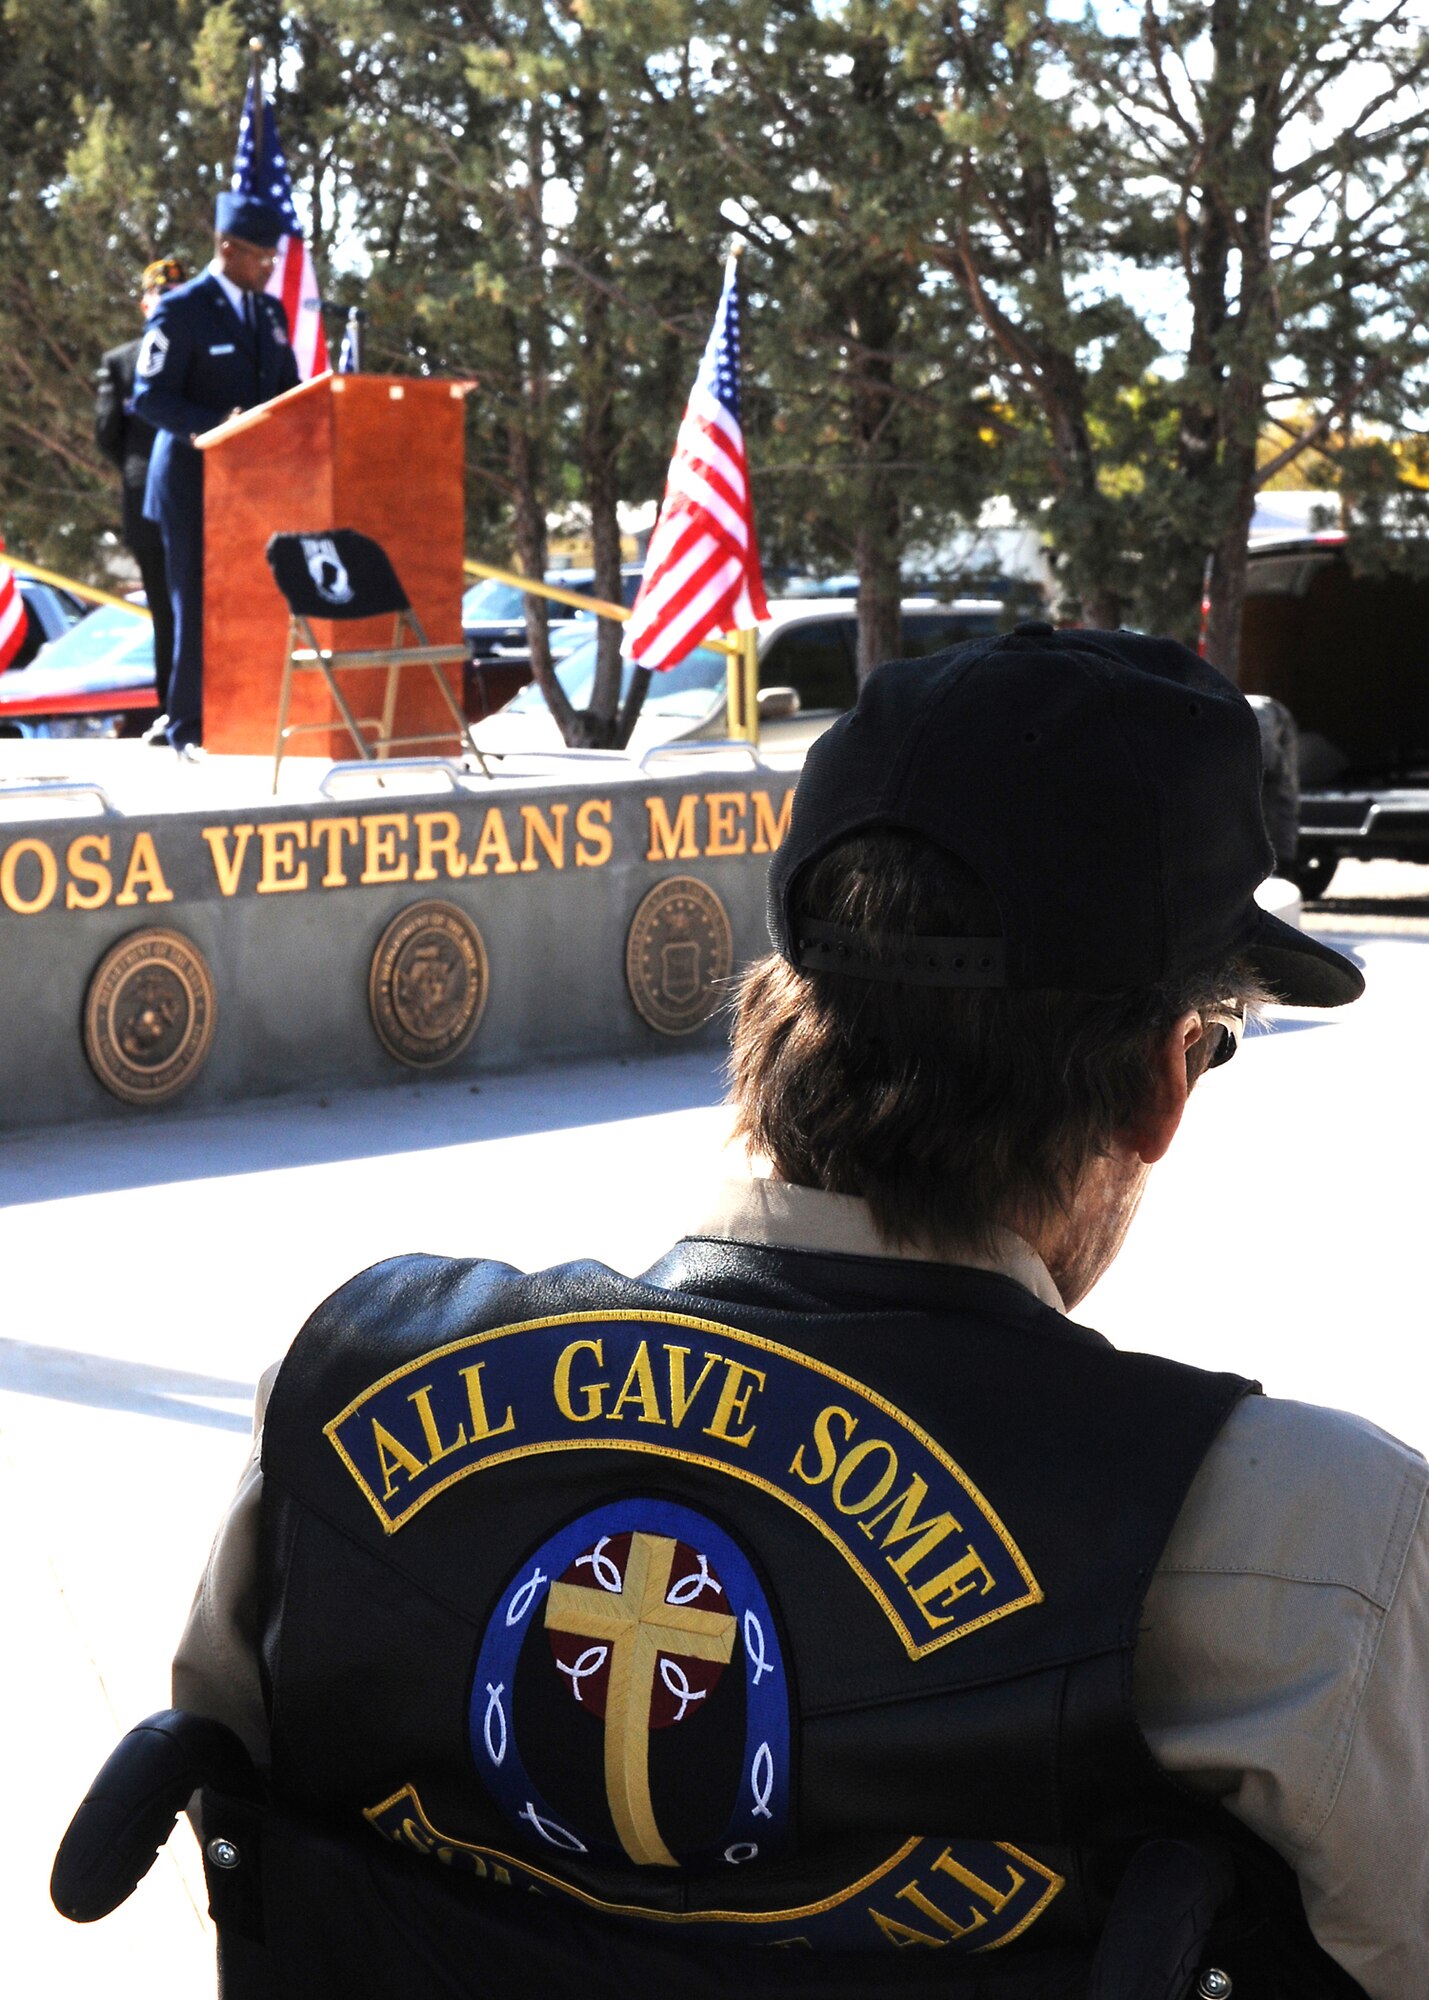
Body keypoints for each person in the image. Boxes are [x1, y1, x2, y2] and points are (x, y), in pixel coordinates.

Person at [163, 627, 1421, 1996]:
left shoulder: (343, 1399)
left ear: (770, 1022)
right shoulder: (1302, 1540)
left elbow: (249, 1808)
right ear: (1160, 1083)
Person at [131, 194, 299, 756]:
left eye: (274, 258)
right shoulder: (181, 310)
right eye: (261, 257)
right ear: (227, 249)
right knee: (198, 607)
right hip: (190, 484)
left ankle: (251, 719)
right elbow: (149, 397)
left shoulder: (270, 314)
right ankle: (190, 728)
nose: (270, 267)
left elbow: (290, 393)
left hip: (252, 487)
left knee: (258, 603)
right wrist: (214, 425)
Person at [94, 256, 185, 739]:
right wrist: (143, 471)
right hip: (148, 500)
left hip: (204, 501)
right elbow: (108, 434)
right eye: (161, 297)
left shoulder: (199, 354)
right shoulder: (122, 361)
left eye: (177, 296)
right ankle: (174, 709)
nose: (168, 304)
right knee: (166, 610)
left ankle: (217, 707)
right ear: (144, 304)